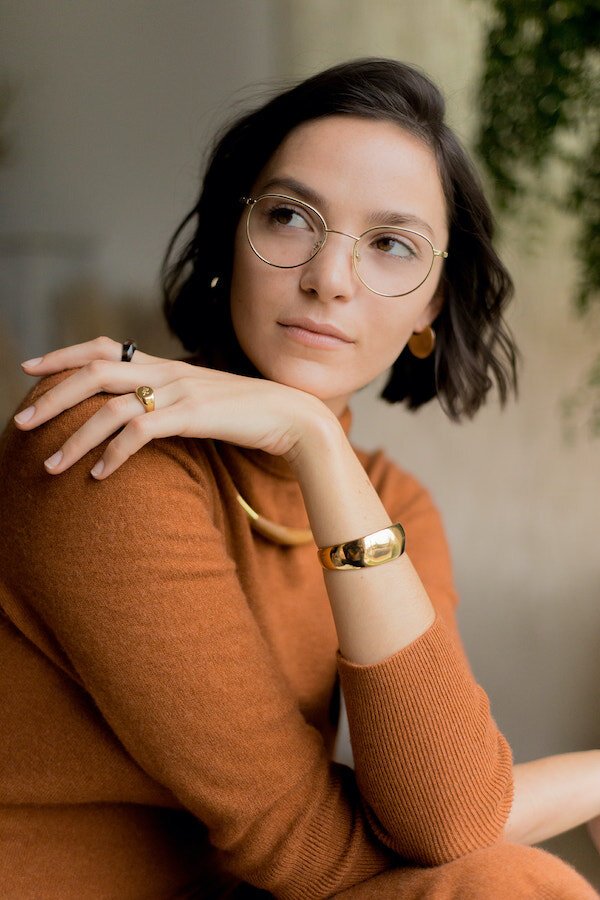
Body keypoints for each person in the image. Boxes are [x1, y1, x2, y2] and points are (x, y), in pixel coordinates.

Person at [1, 58, 598, 899]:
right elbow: (302, 848)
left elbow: (440, 815)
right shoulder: (107, 433)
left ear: (430, 309)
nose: (329, 278)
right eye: (289, 217)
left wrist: (314, 443)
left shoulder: (389, 505)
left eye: (392, 244)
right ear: (227, 242)